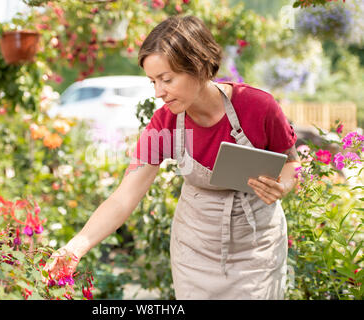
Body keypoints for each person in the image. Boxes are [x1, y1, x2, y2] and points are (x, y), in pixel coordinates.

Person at [44, 15, 301, 300]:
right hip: (196, 249)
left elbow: (292, 163)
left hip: (256, 249)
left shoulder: (258, 107)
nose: (158, 92)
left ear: (199, 66)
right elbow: (123, 197)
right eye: (153, 81)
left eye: (167, 79)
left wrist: (283, 186)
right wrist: (75, 248)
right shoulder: (164, 123)